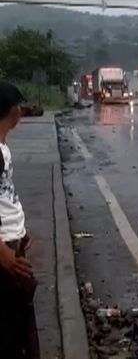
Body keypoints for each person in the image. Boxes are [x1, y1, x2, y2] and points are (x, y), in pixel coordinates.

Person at [0, 82, 40, 359]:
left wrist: (21, 232)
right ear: (12, 111)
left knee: (19, 321)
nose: (22, 113)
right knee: (9, 332)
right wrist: (2, 253)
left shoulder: (3, 148)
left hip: (13, 243)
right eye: (20, 107)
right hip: (3, 251)